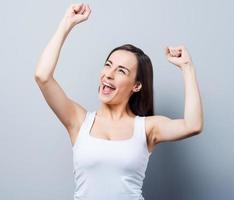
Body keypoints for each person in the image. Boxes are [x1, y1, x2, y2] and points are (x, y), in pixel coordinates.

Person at [34, 3, 204, 200]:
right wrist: (66, 24)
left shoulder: (147, 128)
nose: (109, 74)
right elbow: (42, 76)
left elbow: (193, 125)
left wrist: (187, 68)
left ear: (136, 85)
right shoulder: (78, 121)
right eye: (108, 65)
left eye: (121, 71)